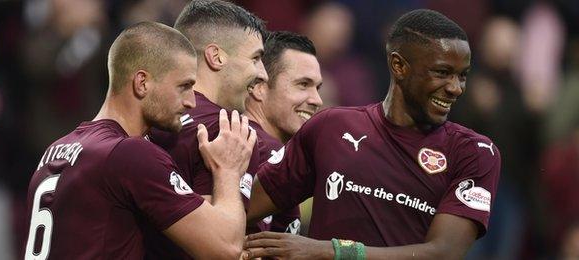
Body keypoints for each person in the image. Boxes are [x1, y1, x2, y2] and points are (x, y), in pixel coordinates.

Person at [244, 9, 501, 259]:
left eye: (462, 76)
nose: (455, 88)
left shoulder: (474, 152)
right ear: (399, 65)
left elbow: (443, 253)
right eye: (442, 73)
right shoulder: (330, 128)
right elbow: (246, 210)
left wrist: (328, 251)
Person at [22, 21, 256, 260]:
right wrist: (228, 169)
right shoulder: (130, 154)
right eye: (183, 86)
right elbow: (225, 248)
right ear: (142, 83)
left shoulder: (56, 150)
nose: (191, 102)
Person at [145, 0, 267, 258]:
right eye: (255, 58)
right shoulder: (229, 131)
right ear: (216, 56)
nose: (263, 74)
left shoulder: (146, 115)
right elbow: (221, 246)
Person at [243, 31, 323, 234]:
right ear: (259, 86)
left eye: (317, 88)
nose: (316, 100)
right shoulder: (264, 149)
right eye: (303, 84)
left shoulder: (240, 137)